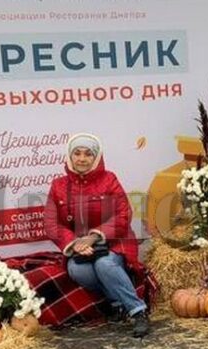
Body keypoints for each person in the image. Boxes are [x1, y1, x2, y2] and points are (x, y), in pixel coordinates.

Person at [42, 133, 150, 338]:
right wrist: (74, 243)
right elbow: (51, 222)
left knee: (104, 264)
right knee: (79, 271)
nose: (82, 158)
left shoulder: (109, 179)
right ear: (69, 156)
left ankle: (137, 311)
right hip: (79, 247)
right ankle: (116, 301)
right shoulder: (58, 186)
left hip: (115, 241)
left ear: (97, 157)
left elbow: (123, 213)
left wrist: (93, 237)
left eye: (88, 154)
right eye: (77, 153)